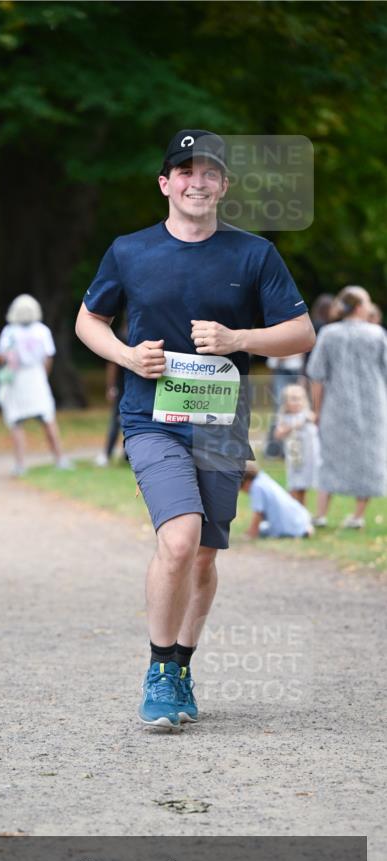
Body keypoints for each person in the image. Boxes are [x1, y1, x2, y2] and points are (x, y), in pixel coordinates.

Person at [75, 129, 315, 731]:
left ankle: (182, 663)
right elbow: (88, 321)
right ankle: (159, 670)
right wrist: (128, 357)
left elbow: (302, 333)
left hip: (219, 424)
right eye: (185, 172)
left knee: (204, 558)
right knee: (178, 540)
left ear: (224, 186)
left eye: (209, 173)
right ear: (166, 184)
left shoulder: (254, 253)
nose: (197, 181)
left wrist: (240, 340)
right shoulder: (129, 251)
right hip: (151, 419)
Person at [307, 285, 387, 529]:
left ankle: (320, 514)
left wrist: (317, 410)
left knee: (329, 456)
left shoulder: (329, 333)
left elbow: (317, 376)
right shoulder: (377, 334)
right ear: (361, 307)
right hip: (374, 405)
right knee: (369, 457)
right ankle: (358, 515)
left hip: (335, 405)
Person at [0, 294, 72, 476]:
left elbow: (0, 357)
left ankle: (20, 464)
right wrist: (43, 375)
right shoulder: (42, 331)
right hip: (37, 376)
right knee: (47, 418)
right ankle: (60, 458)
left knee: (15, 421)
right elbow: (48, 357)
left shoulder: (9, 331)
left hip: (18, 378)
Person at [273, 384, 320, 505]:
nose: (297, 402)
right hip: (294, 457)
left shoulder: (307, 415)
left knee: (303, 487)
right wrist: (293, 426)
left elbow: (315, 425)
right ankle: (291, 511)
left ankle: (301, 512)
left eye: (299, 398)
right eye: (293, 399)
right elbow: (278, 434)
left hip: (308, 457)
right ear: (286, 401)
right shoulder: (285, 417)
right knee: (294, 486)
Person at [241, 462, 313, 538]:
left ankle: (297, 531)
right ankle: (304, 529)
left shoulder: (256, 488)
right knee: (264, 526)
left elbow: (258, 514)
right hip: (301, 517)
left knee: (263, 529)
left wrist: (251, 534)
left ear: (247, 482)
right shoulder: (263, 478)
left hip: (285, 527)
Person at [95, 318, 127, 467]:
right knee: (121, 420)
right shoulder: (125, 336)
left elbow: (112, 365)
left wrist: (110, 386)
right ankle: (113, 454)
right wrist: (112, 386)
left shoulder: (121, 335)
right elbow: (113, 364)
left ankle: (110, 454)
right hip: (126, 386)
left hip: (124, 386)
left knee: (118, 420)